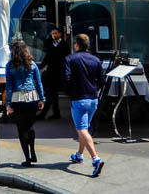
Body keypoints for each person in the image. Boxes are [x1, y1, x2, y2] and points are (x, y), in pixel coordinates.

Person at [65, 33, 106, 176]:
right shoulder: (95, 59)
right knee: (85, 128)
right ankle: (79, 155)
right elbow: (102, 80)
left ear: (76, 44)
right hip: (93, 98)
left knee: (82, 129)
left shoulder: (70, 59)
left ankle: (96, 159)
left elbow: (66, 78)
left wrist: (71, 91)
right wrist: (94, 88)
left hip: (79, 98)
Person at [6, 40, 45, 166]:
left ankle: (27, 159)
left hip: (17, 98)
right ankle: (33, 152)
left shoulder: (10, 65)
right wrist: (42, 98)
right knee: (30, 126)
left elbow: (9, 86)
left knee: (21, 129)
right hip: (32, 96)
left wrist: (8, 103)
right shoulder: (32, 64)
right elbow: (38, 82)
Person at [40, 27, 69, 120]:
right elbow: (47, 57)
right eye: (52, 33)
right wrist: (40, 67)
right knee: (53, 94)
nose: (53, 35)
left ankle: (44, 114)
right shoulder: (50, 43)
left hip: (59, 72)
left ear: (60, 34)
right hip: (51, 71)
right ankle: (55, 114)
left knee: (51, 94)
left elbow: (66, 58)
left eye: (55, 33)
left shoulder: (64, 44)